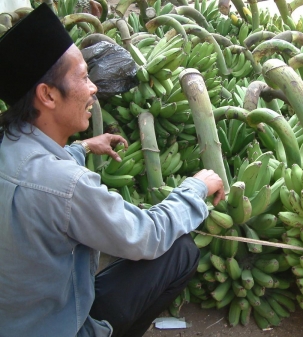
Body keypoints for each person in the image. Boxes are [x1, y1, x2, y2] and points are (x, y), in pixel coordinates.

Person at [0, 4, 225, 337]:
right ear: (47, 95)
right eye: (83, 77)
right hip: (60, 329)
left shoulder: (9, 147)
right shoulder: (68, 185)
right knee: (179, 251)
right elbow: (145, 236)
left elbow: (35, 175)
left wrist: (83, 147)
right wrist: (196, 188)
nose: (93, 88)